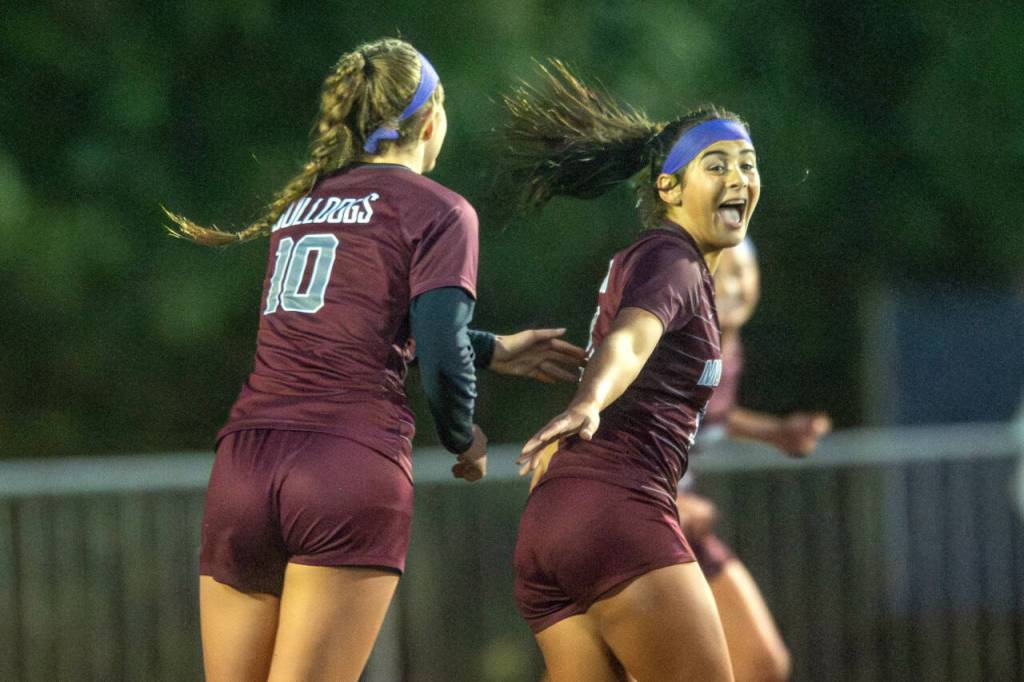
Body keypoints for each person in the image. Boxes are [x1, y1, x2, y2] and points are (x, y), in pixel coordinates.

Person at [164, 39, 585, 682]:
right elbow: (438, 347)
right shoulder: (440, 209)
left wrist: (493, 349)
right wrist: (461, 435)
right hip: (342, 465)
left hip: (244, 467)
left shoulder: (301, 206)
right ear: (431, 119)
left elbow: (352, 327)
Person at [507, 60, 760, 681]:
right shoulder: (670, 259)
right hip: (619, 515)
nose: (739, 178)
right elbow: (629, 341)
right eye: (717, 164)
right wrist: (588, 400)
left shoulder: (672, 264)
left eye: (747, 163)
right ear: (669, 190)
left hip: (554, 521)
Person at [676, 239, 831, 682]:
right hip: (628, 536)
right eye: (715, 272)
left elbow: (713, 415)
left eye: (740, 271)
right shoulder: (677, 350)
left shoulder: (727, 349)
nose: (730, 284)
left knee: (762, 665)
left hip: (676, 535)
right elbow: (609, 436)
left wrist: (774, 433)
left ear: (758, 281)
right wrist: (666, 504)